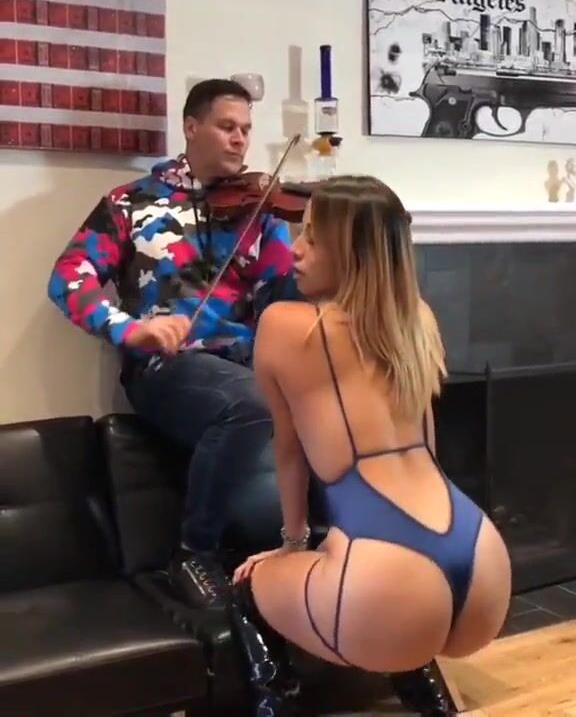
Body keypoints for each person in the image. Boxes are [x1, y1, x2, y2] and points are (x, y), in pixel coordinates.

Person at [229, 176, 512, 716]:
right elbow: (426, 441)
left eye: (313, 237)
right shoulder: (417, 319)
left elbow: (288, 451)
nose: (296, 249)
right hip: (479, 558)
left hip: (387, 571)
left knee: (247, 588)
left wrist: (291, 546)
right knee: (394, 612)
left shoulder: (284, 326)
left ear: (352, 252)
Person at [47, 78, 296, 610]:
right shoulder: (132, 202)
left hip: (246, 362)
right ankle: (193, 550)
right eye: (227, 126)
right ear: (191, 126)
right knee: (253, 404)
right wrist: (129, 329)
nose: (240, 139)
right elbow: (68, 278)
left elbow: (283, 298)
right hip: (168, 367)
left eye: (246, 129)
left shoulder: (260, 210)